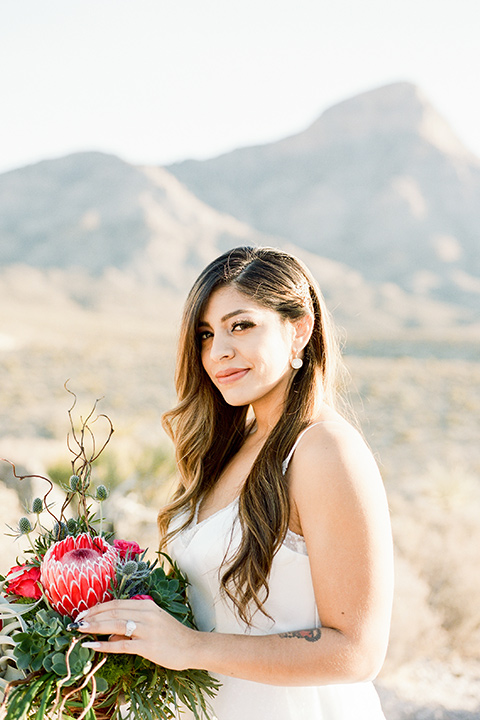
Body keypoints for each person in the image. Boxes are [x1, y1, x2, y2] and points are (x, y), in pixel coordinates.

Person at [78, 246, 394, 719]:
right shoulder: (230, 447)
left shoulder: (324, 451)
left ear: (299, 329)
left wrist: (192, 648)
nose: (218, 351)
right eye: (205, 335)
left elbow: (357, 651)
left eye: (241, 325)